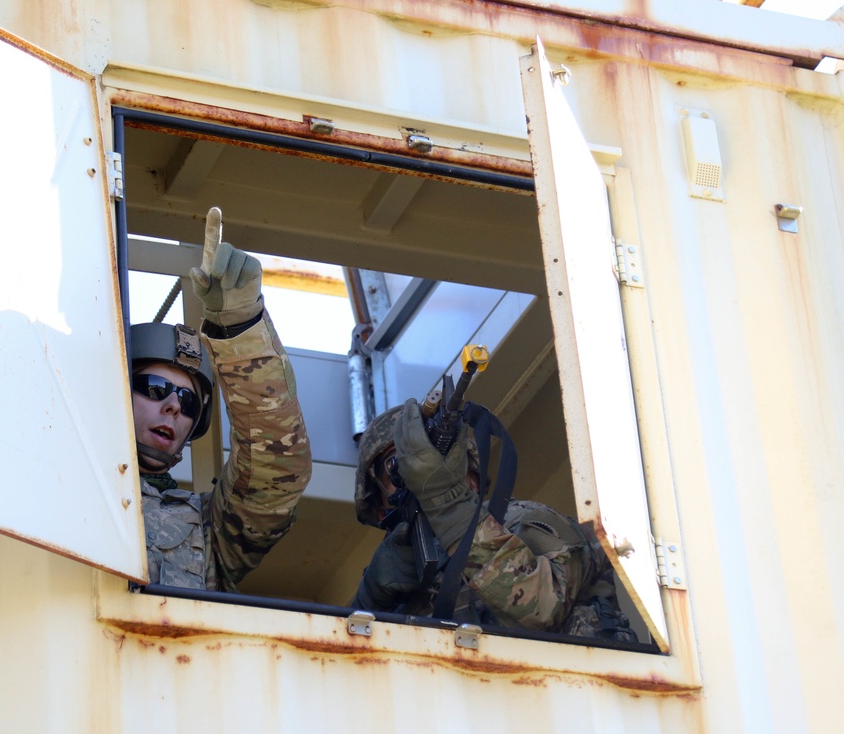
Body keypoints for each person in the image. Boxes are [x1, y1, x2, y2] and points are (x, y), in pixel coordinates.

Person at [351, 400, 637, 642]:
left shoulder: (524, 521)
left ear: (472, 478)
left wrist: (448, 505)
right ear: (379, 510)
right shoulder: (395, 584)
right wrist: (370, 599)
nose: (419, 479)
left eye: (440, 464)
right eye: (398, 468)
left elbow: (544, 609)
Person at [131, 207, 311, 590]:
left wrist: (240, 325)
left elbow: (275, 475)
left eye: (189, 403)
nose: (174, 407)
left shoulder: (210, 530)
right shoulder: (53, 478)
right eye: (155, 389)